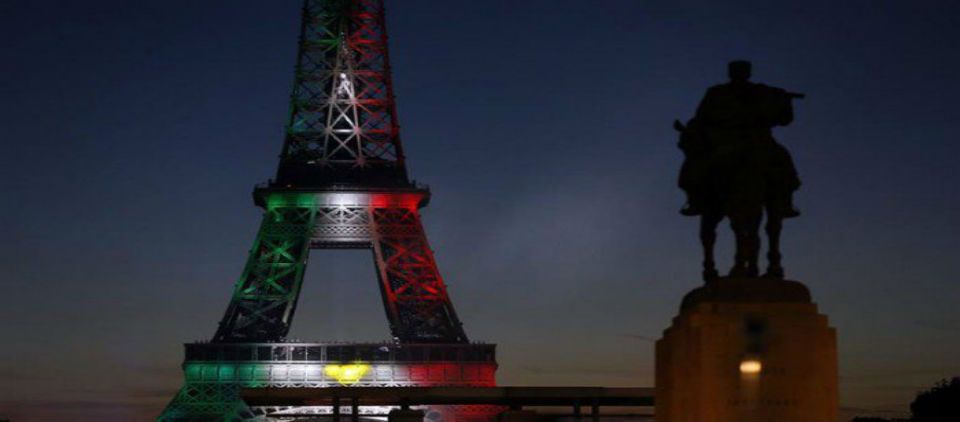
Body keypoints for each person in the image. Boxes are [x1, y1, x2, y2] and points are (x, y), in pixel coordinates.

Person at [678, 60, 801, 217]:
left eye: (743, 70)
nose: (739, 74)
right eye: (736, 70)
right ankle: (696, 200)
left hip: (758, 139)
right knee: (695, 165)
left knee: (783, 160)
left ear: (748, 73)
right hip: (725, 139)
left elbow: (784, 120)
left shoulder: (761, 91)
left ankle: (785, 202)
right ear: (730, 73)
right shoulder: (716, 92)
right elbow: (702, 116)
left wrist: (785, 102)